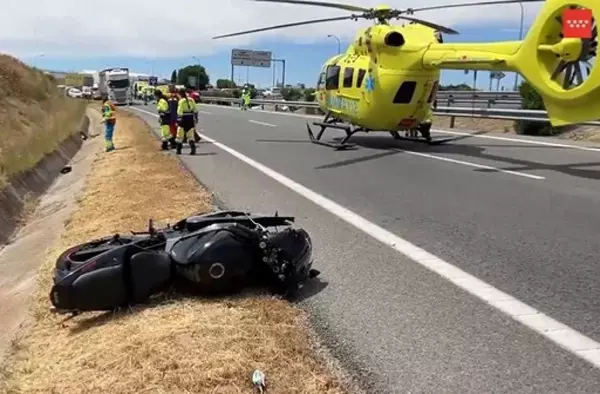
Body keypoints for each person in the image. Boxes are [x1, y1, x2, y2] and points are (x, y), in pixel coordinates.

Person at [175, 88, 198, 155]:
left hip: (183, 119)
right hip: (190, 119)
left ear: (180, 94)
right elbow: (195, 110)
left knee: (179, 135)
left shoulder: (181, 101)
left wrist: (178, 121)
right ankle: (193, 150)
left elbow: (179, 112)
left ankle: (178, 150)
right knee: (190, 135)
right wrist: (196, 118)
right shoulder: (191, 99)